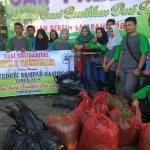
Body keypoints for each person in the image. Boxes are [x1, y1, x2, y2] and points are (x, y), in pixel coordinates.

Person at [116, 17, 149, 103]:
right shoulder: (124, 39)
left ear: (135, 25)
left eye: (130, 25)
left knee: (128, 89)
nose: (127, 27)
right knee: (132, 88)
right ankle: (136, 108)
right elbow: (121, 53)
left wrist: (139, 68)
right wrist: (118, 68)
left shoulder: (142, 37)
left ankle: (132, 108)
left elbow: (144, 54)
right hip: (123, 68)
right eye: (125, 25)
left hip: (133, 68)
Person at [74, 25, 95, 96]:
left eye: (85, 31)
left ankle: (91, 90)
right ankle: (83, 90)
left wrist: (82, 45)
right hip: (79, 60)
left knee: (88, 76)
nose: (84, 32)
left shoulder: (91, 37)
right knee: (82, 76)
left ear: (88, 31)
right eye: (83, 31)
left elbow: (91, 45)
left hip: (88, 60)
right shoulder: (79, 38)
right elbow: (74, 44)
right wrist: (75, 46)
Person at [103, 25, 122, 95]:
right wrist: (103, 64)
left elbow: (116, 56)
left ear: (116, 31)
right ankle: (109, 98)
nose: (110, 33)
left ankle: (113, 99)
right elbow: (106, 53)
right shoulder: (110, 40)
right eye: (109, 31)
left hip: (113, 65)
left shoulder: (119, 41)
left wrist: (107, 65)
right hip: (106, 64)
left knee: (111, 82)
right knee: (107, 82)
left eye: (112, 31)